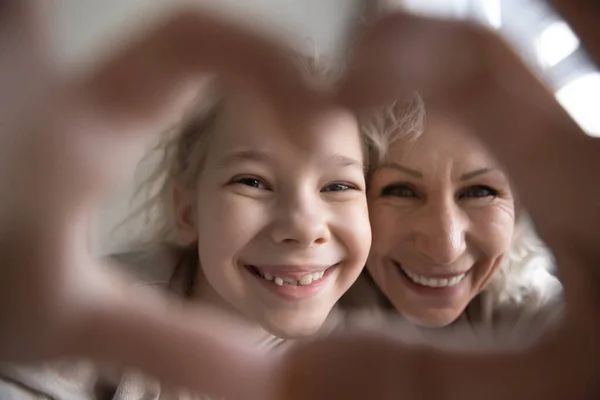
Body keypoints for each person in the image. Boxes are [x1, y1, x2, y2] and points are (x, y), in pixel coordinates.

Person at [3, 0, 600, 399]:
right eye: (253, 182)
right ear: (187, 207)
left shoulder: (385, 325)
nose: (303, 225)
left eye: (339, 186)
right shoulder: (107, 308)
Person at [339, 92, 561, 342]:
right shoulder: (302, 320)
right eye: (401, 192)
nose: (446, 250)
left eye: (479, 192)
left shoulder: (541, 315)